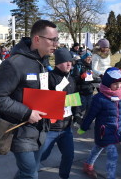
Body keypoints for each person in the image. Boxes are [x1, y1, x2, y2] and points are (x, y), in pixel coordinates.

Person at [0, 20, 58, 179]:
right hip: (20, 131)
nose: (56, 43)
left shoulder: (43, 61)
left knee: (28, 171)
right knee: (30, 174)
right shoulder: (14, 63)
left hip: (41, 128)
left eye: (57, 39)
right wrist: (27, 113)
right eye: (52, 39)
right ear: (37, 39)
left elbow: (39, 90)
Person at [77, 67, 121, 179]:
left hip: (116, 130)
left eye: (120, 83)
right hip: (103, 131)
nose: (118, 86)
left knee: (98, 147)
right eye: (115, 83)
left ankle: (88, 165)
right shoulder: (99, 98)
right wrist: (84, 127)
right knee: (113, 155)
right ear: (108, 83)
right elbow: (90, 115)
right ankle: (111, 176)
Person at [39, 48, 81, 179]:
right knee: (41, 156)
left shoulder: (72, 79)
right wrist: (56, 94)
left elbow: (74, 98)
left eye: (70, 61)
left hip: (66, 128)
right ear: (57, 63)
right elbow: (42, 102)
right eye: (65, 61)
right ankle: (24, 174)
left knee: (69, 155)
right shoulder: (48, 78)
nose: (69, 64)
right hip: (50, 128)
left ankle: (64, 176)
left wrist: (77, 114)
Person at [72, 50, 96, 118]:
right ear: (84, 57)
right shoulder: (78, 65)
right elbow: (74, 78)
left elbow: (90, 79)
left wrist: (93, 78)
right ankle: (77, 119)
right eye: (88, 57)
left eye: (90, 57)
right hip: (81, 91)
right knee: (82, 107)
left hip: (89, 90)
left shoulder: (90, 65)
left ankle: (85, 122)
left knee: (89, 108)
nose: (90, 58)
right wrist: (81, 77)